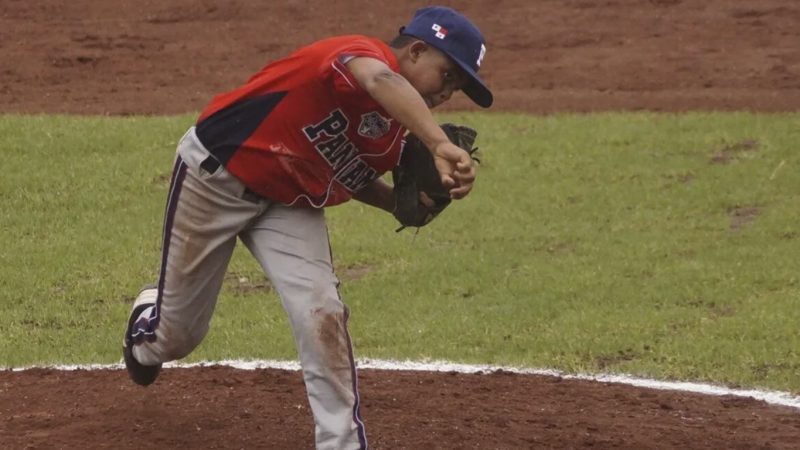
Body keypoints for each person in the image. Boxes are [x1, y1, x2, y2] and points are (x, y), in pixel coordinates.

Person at [122, 5, 492, 449]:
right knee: (177, 337)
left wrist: (400, 204)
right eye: (448, 76)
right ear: (415, 50)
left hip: (288, 202)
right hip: (217, 177)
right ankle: (147, 325)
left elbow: (348, 173)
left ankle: (342, 442)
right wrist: (439, 142)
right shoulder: (360, 54)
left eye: (458, 88)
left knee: (322, 311)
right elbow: (380, 81)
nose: (448, 94)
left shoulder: (395, 131)